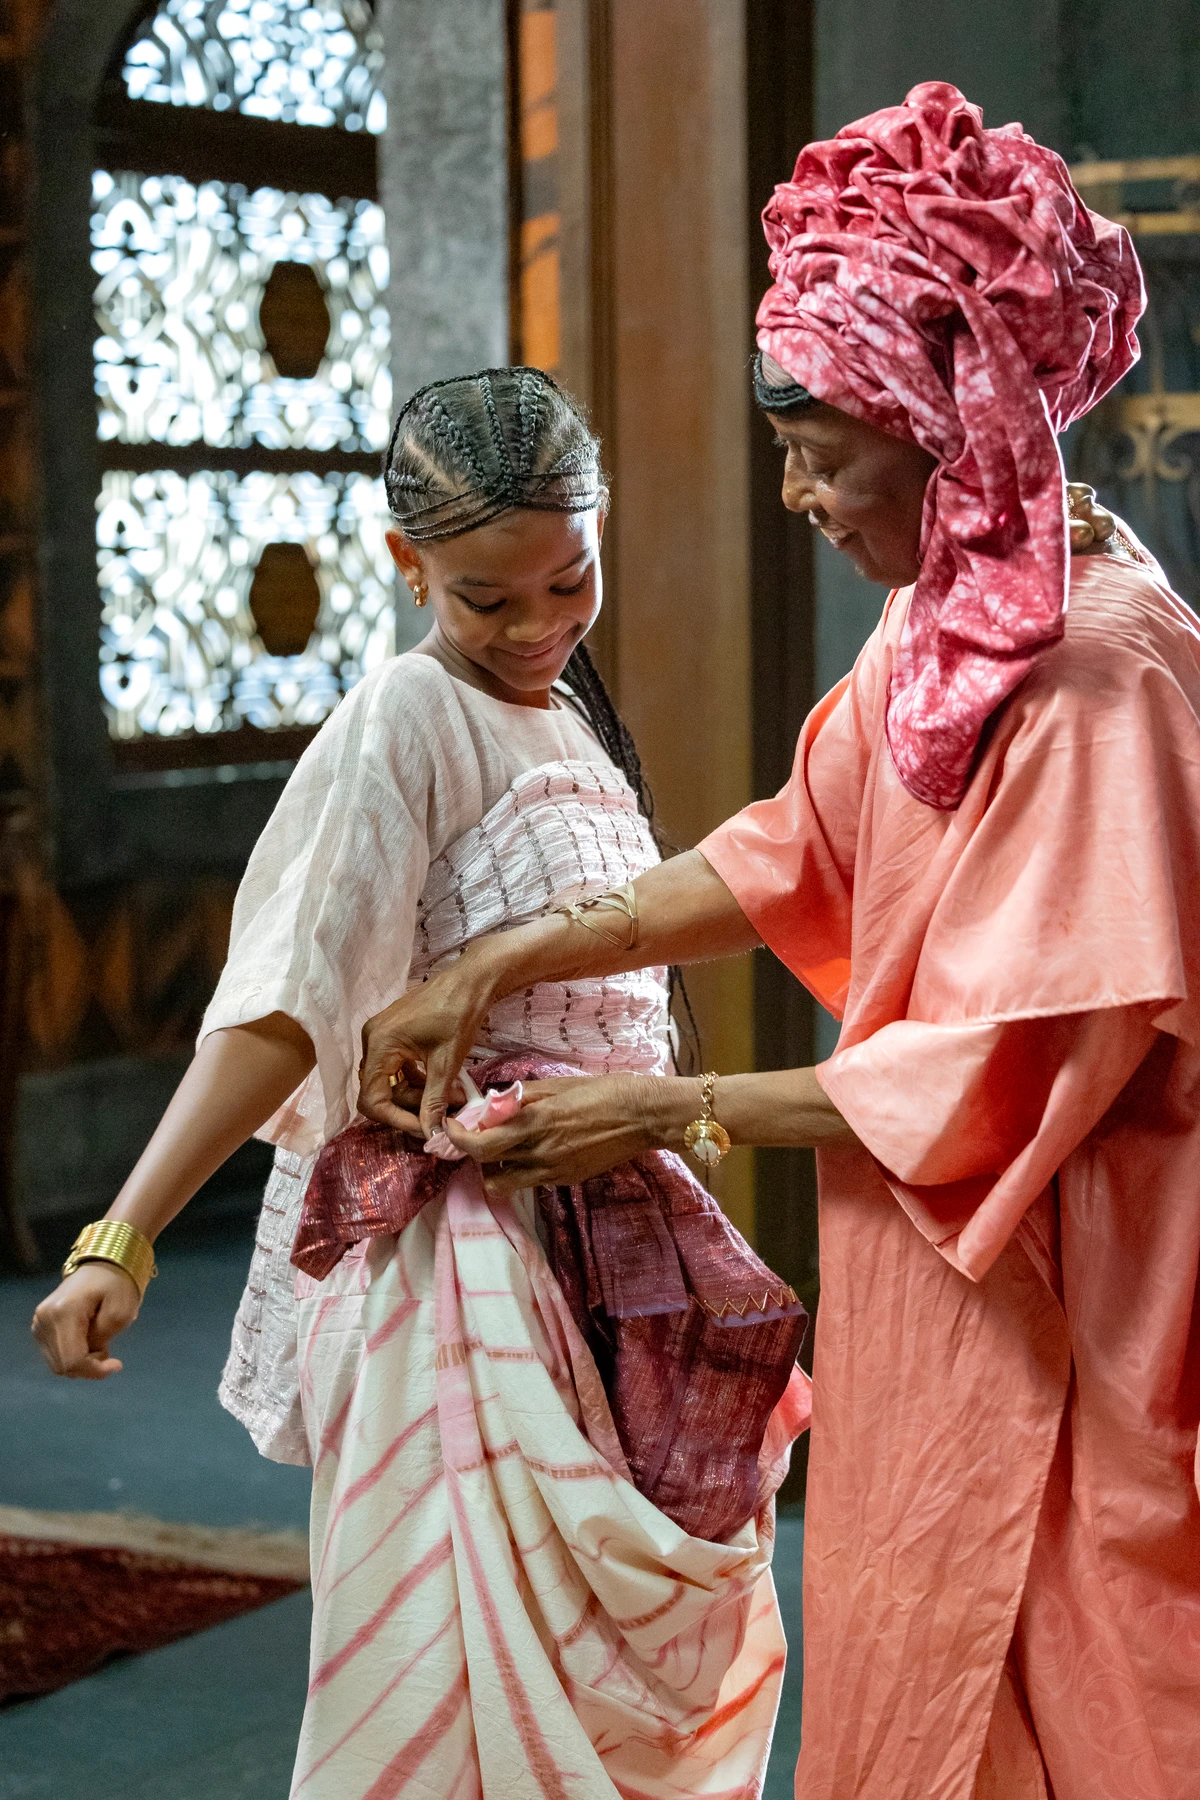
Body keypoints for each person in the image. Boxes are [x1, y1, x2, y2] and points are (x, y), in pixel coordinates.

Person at [355, 87, 1200, 1800]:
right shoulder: (941, 629)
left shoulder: (1102, 678)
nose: (804, 496)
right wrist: (491, 964)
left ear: (949, 418)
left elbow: (1002, 1069)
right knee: (907, 1652)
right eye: (789, 454)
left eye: (827, 453)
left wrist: (668, 1113)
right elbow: (789, 850)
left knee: (1090, 1684)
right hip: (934, 1284)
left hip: (1081, 1288)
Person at [32, 367, 815, 1800]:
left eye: (568, 582)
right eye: (487, 600)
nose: (537, 629)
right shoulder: (403, 715)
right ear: (405, 568)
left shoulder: (572, 716)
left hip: (596, 1249)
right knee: (450, 1713)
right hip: (449, 1278)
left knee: (615, 1693)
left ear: (601, 528)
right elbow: (284, 1007)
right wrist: (123, 1237)